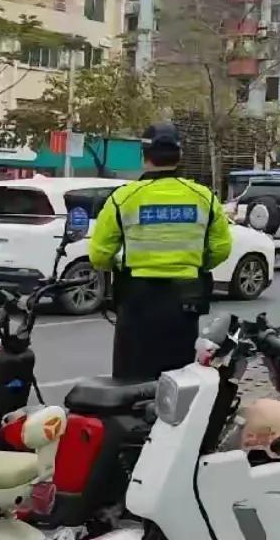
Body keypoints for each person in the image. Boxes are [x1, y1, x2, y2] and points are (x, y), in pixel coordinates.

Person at [88, 122, 232, 380]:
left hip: (136, 300)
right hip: (185, 299)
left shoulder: (124, 198)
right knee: (178, 380)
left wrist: (119, 266)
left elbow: (99, 255)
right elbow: (221, 248)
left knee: (131, 378)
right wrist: (195, 264)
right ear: (180, 156)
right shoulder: (203, 197)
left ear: (143, 156)